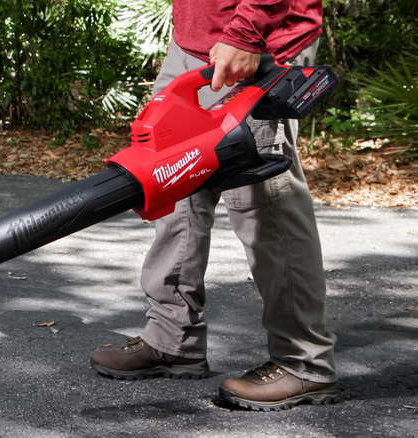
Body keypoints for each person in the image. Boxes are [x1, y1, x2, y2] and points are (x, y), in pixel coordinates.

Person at [90, 0, 342, 411]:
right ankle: (174, 340)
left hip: (255, 45)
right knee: (170, 186)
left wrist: (245, 30)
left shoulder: (249, 35)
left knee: (266, 208)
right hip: (193, 44)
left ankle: (305, 362)